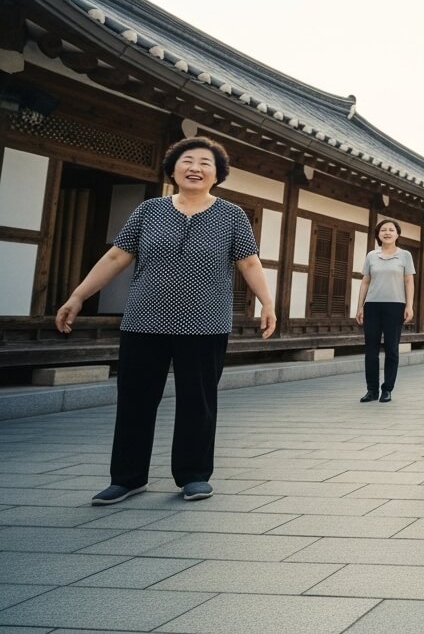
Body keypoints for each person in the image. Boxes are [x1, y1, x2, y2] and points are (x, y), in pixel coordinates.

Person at [56, 136, 275, 506]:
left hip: (205, 322)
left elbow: (248, 262)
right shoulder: (148, 211)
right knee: (135, 400)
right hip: (144, 319)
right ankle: (127, 478)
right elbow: (115, 258)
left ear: (217, 174)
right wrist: (78, 296)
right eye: (187, 161)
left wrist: (267, 303)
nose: (195, 168)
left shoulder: (232, 215)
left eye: (205, 163)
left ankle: (193, 476)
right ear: (172, 169)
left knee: (198, 402)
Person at [356, 218, 415, 403]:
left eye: (391, 230)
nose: (387, 232)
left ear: (397, 234)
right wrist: (360, 306)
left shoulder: (405, 255)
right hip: (372, 305)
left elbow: (408, 281)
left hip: (395, 305)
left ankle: (387, 389)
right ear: (378, 234)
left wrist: (409, 305)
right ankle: (371, 390)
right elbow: (365, 281)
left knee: (391, 349)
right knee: (371, 350)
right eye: (383, 230)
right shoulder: (371, 256)